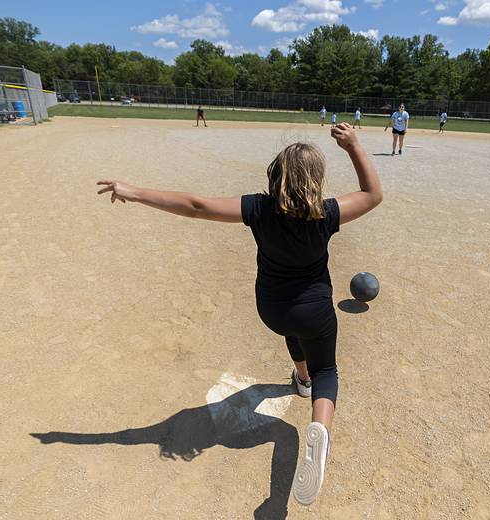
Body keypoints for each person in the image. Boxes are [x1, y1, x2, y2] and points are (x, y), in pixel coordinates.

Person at [95, 122, 383, 507]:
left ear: (275, 175)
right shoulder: (326, 213)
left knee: (293, 332)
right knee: (327, 370)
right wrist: (353, 146)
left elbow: (196, 206)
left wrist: (134, 191)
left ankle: (301, 378)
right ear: (316, 180)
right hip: (314, 310)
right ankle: (319, 427)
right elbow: (372, 193)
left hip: (272, 309)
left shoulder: (259, 208)